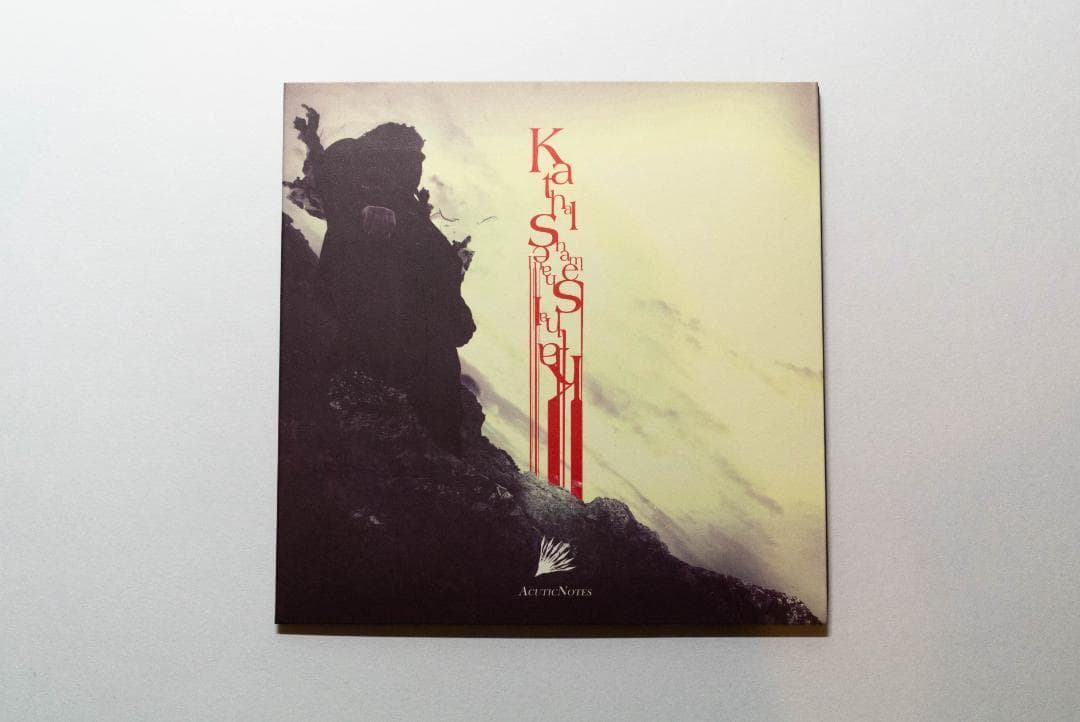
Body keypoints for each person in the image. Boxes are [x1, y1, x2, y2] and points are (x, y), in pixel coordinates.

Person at [314, 123, 475, 453]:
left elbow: (438, 268)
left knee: (442, 419)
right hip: (376, 319)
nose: (416, 168)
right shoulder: (352, 160)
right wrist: (361, 208)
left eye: (419, 160)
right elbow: (333, 174)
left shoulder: (409, 208)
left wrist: (456, 304)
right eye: (411, 158)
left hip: (422, 333)